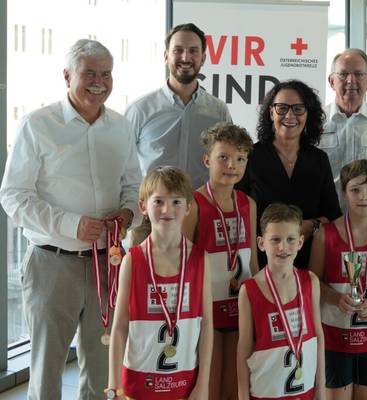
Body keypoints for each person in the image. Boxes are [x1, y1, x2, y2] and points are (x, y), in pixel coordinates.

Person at [0, 39, 140, 399]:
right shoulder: (37, 125)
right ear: (67, 75)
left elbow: (133, 186)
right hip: (52, 264)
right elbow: (13, 195)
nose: (99, 82)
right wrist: (70, 224)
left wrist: (127, 213)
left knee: (101, 369)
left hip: (108, 265)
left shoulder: (121, 127)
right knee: (47, 371)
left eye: (106, 74)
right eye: (89, 73)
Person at [108, 166, 213, 399]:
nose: (167, 209)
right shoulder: (132, 261)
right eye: (159, 201)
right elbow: (120, 327)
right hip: (138, 384)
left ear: (188, 207)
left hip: (185, 385)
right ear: (143, 206)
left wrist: (203, 384)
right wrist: (114, 386)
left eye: (176, 202)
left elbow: (206, 326)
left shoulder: (200, 260)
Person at [309, 160, 367, 400]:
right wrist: (334, 297)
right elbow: (312, 282)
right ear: (344, 193)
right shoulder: (325, 235)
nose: (364, 196)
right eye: (355, 190)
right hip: (334, 340)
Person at [182, 122, 259, 400]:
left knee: (234, 389)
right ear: (207, 160)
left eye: (240, 158)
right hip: (207, 313)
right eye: (223, 157)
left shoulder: (248, 204)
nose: (232, 165)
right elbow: (184, 265)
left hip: (241, 310)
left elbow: (253, 260)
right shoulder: (193, 204)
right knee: (208, 387)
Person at [238, 79, 342, 269]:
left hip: (309, 264)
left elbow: (333, 214)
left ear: (308, 114)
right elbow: (238, 213)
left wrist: (311, 225)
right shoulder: (250, 156)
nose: (290, 115)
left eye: (298, 109)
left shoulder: (319, 159)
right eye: (282, 108)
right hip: (260, 265)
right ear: (271, 112)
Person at [125, 23, 232, 188]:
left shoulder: (219, 111)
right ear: (166, 57)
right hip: (153, 203)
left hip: (202, 204)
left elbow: (229, 160)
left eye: (193, 51)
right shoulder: (139, 110)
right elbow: (121, 166)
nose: (185, 58)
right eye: (178, 50)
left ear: (203, 58)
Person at [237, 203, 326, 400]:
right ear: (261, 243)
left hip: (305, 392)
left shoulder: (310, 282)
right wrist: (242, 396)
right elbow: (243, 349)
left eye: (290, 239)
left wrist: (321, 389)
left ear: (300, 242)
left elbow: (318, 337)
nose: (283, 247)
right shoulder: (249, 290)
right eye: (275, 239)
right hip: (265, 393)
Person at [320, 49, 367, 190]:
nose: (351, 80)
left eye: (358, 74)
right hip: (327, 205)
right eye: (343, 74)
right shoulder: (315, 121)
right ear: (331, 81)